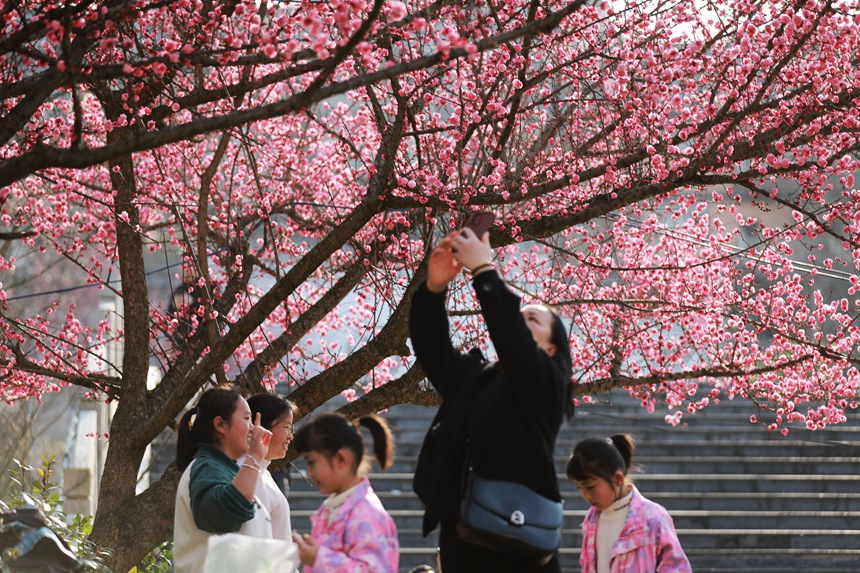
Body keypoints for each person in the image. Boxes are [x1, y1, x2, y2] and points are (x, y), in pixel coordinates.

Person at [408, 227, 574, 573]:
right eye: (520, 317)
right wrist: (434, 288)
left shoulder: (548, 383)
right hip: (465, 537)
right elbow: (432, 350)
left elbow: (514, 343)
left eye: (532, 319)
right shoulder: (479, 377)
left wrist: (484, 271)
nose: (519, 321)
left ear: (551, 347)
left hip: (518, 543)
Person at [173, 385, 274, 573]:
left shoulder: (221, 469)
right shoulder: (206, 467)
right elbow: (225, 514)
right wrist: (254, 458)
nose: (253, 429)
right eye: (247, 419)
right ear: (220, 425)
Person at [290, 412, 399, 572]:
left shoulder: (368, 515)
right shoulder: (334, 508)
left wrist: (319, 558)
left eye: (311, 462)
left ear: (341, 459)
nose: (309, 473)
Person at [566, 435, 692, 573]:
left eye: (590, 487)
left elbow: (677, 568)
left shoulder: (651, 517)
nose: (586, 495)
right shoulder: (591, 519)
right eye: (579, 487)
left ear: (618, 479)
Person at [246, 392, 299, 541]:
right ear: (261, 427)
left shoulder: (262, 472)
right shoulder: (249, 473)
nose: (290, 436)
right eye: (286, 427)